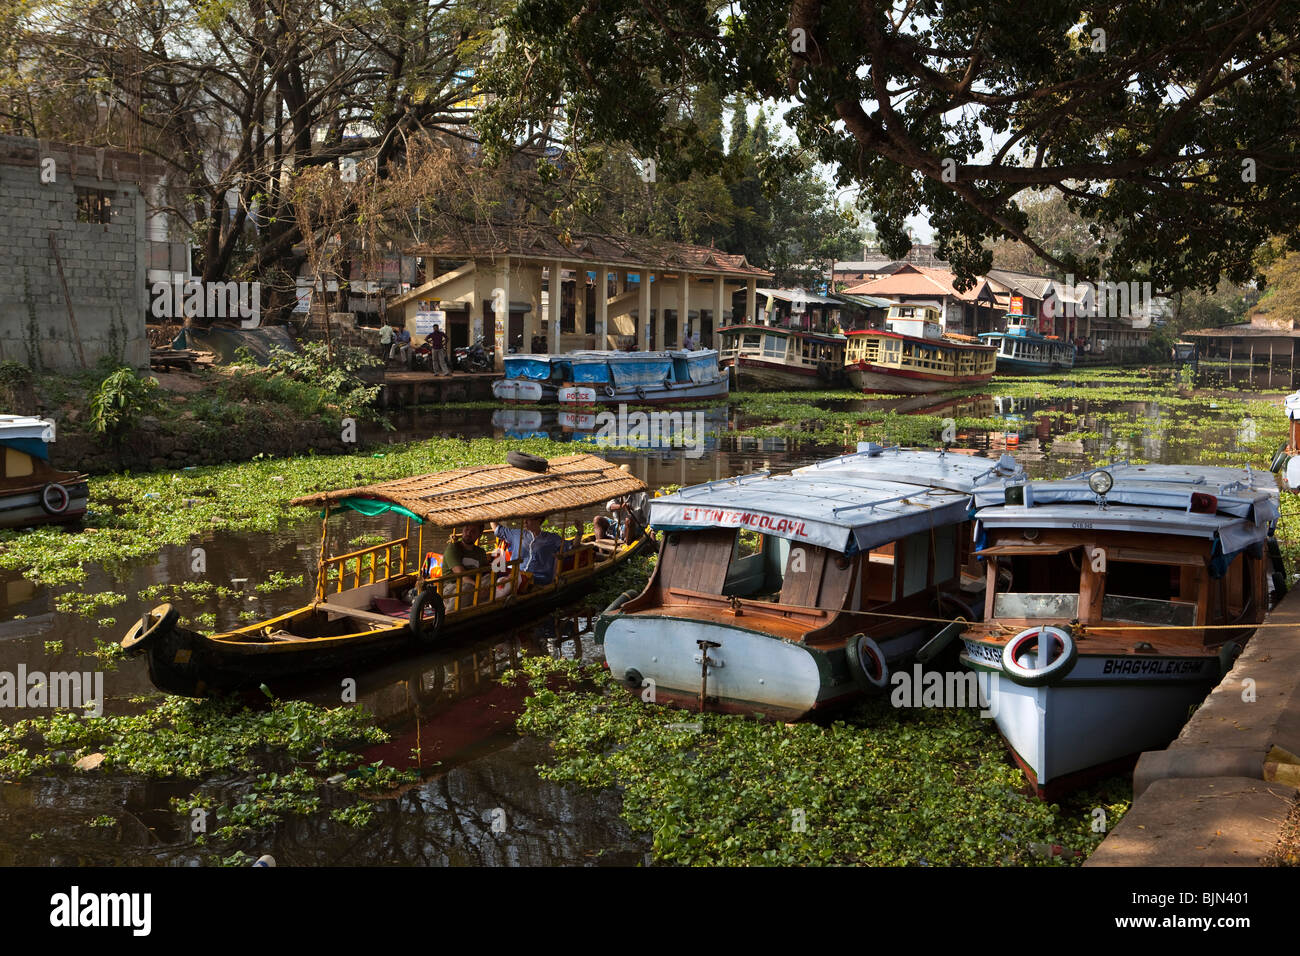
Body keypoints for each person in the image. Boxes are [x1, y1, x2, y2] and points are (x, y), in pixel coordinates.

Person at [491, 515, 563, 590]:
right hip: (514, 575)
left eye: (529, 519)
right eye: (524, 518)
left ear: (539, 520)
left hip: (537, 579)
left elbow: (571, 546)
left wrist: (577, 533)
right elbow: (497, 530)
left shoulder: (552, 538)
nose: (525, 522)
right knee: (498, 580)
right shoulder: (516, 534)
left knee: (509, 582)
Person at [440, 521, 492, 608]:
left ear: (479, 535)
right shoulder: (453, 548)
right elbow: (461, 574)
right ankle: (449, 612)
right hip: (451, 587)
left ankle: (472, 600)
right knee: (468, 587)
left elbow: (485, 572)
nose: (468, 533)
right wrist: (478, 587)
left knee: (490, 578)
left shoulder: (480, 552)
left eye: (473, 531)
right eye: (466, 529)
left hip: (473, 586)